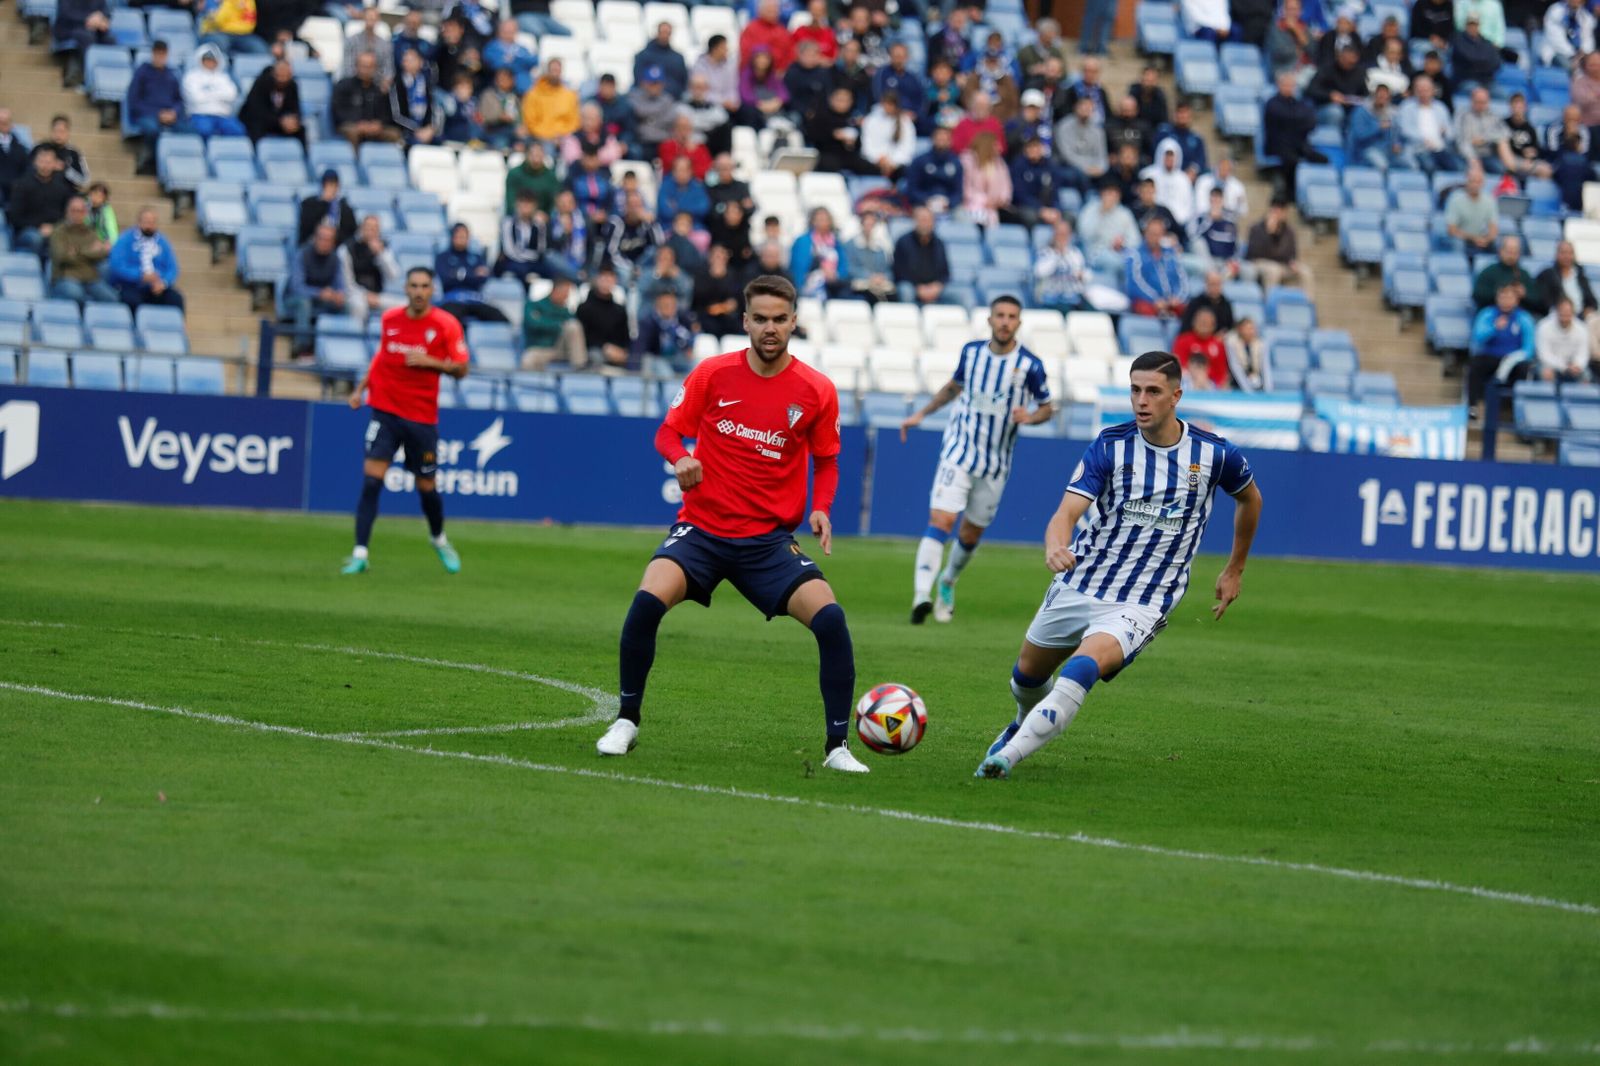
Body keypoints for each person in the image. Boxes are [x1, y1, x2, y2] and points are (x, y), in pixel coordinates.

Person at [595, 274, 866, 771]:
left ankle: (837, 748)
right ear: (744, 321)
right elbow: (668, 432)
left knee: (831, 620)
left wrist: (821, 506)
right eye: (760, 319)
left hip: (767, 542)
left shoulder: (816, 390)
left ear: (793, 322)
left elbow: (827, 460)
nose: (769, 328)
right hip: (702, 530)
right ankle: (626, 720)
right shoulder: (712, 374)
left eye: (779, 319)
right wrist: (679, 459)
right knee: (645, 602)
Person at [972, 351, 1264, 779]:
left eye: (1152, 391)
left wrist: (1235, 568)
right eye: (1135, 390)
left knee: (1082, 668)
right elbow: (1066, 513)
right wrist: (1056, 545)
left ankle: (1007, 756)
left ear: (1176, 396)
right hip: (1083, 580)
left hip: (1145, 598)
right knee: (1026, 678)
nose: (1141, 400)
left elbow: (1250, 499)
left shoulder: (1215, 454)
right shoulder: (1111, 445)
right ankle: (1022, 721)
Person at [898, 296, 1055, 625]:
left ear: (1019, 323)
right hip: (959, 451)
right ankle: (921, 595)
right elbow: (953, 388)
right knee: (940, 521)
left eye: (1012, 316)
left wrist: (1031, 416)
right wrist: (921, 414)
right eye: (1000, 315)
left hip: (996, 463)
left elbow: (1046, 407)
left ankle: (947, 581)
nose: (1005, 322)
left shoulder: (1030, 366)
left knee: (970, 535)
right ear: (989, 319)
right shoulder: (971, 353)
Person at [343, 268, 468, 576]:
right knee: (372, 480)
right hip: (385, 410)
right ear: (406, 288)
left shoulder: (445, 325)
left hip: (421, 418)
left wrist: (432, 363)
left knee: (426, 487)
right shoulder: (390, 320)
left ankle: (438, 538)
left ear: (432, 290)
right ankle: (360, 553)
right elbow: (381, 357)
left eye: (425, 286)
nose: (419, 291)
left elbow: (462, 368)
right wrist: (361, 389)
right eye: (414, 286)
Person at [1467, 282, 1536, 415]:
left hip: (1514, 359)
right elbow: (1477, 338)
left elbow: (1528, 348)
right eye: (1502, 297)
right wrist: (1494, 328)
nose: (1506, 301)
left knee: (1524, 369)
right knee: (1475, 365)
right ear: (1497, 298)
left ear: (1516, 300)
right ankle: (1472, 407)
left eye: (1509, 298)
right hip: (1490, 355)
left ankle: (1515, 410)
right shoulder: (1487, 314)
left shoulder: (1524, 318)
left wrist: (1513, 359)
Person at [128, 41, 190, 173]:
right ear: (153, 53)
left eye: (163, 54)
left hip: (170, 115)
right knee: (152, 129)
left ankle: (179, 168)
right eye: (158, 53)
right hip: (147, 114)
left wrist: (174, 112)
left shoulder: (172, 75)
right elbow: (134, 101)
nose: (160, 57)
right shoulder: (142, 73)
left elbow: (179, 100)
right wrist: (157, 114)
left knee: (188, 130)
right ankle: (149, 161)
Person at [107, 206, 183, 312]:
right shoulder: (125, 239)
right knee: (132, 301)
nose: (149, 225)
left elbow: (172, 268)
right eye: (146, 222)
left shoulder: (162, 241)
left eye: (152, 222)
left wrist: (163, 282)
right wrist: (140, 276)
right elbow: (117, 265)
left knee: (175, 299)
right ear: (139, 222)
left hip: (156, 286)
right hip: (131, 285)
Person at [1262, 71, 1325, 198]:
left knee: (1322, 160)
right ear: (1279, 85)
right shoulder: (1272, 103)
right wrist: (1299, 122)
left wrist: (1296, 122)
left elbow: (1311, 120)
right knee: (1291, 161)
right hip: (1278, 145)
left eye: (1292, 85)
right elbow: (1285, 119)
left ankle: (1315, 196)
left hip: (1299, 144)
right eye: (1286, 85)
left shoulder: (1299, 103)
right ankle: (1289, 194)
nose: (1289, 88)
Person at [286, 222, 349, 342]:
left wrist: (338, 294)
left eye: (328, 240)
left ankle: (339, 345)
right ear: (315, 238)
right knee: (304, 303)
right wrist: (319, 293)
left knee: (346, 305)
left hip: (323, 299)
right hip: (295, 298)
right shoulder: (302, 255)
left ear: (333, 242)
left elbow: (339, 283)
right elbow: (296, 287)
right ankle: (301, 347)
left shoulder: (335, 259)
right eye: (321, 238)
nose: (324, 242)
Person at [7, 147, 73, 260]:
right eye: (42, 161)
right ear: (35, 162)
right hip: (27, 231)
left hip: (55, 229)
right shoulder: (22, 185)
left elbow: (66, 214)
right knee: (36, 238)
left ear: (55, 164)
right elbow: (14, 217)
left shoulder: (62, 188)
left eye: (48, 162)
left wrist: (54, 228)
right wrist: (39, 227)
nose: (45, 165)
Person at [48, 195, 116, 305]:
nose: (77, 214)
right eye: (73, 210)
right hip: (65, 277)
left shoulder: (91, 232)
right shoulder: (58, 232)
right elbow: (61, 256)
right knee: (76, 295)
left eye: (80, 211)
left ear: (85, 213)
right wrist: (89, 252)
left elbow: (102, 253)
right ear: (67, 212)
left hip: (90, 279)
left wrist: (77, 251)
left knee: (112, 298)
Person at [435, 223, 508, 324]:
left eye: (464, 236)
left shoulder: (476, 257)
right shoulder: (442, 257)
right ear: (452, 237)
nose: (461, 239)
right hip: (453, 300)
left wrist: (458, 274)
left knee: (501, 319)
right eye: (458, 236)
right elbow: (446, 278)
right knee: (449, 319)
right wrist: (472, 274)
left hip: (475, 300)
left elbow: (484, 277)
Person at [341, 214, 402, 321]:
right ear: (361, 228)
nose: (371, 231)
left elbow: (394, 276)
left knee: (404, 305)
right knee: (359, 306)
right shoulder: (347, 249)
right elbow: (347, 283)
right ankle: (357, 335)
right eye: (368, 227)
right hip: (355, 295)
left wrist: (381, 254)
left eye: (374, 228)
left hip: (378, 294)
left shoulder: (384, 248)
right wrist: (365, 295)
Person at [1246, 199, 1314, 295]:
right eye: (1277, 209)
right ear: (1270, 210)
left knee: (1305, 272)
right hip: (1260, 262)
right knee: (1274, 271)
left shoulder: (1289, 231)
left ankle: (1307, 304)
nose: (1279, 213)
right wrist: (1269, 233)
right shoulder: (1257, 228)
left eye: (1282, 210)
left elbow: (1292, 254)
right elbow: (1254, 252)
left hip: (1283, 264)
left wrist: (1291, 262)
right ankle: (1271, 304)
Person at [333, 52, 402, 147]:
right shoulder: (344, 85)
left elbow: (386, 113)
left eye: (370, 66)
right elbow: (338, 111)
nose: (366, 70)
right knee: (352, 132)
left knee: (394, 134)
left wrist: (379, 124)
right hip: (351, 125)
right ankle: (355, 160)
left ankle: (390, 161)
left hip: (374, 127)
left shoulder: (379, 89)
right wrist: (359, 124)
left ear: (375, 68)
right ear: (356, 66)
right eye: (363, 66)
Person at [1125, 217, 1189, 317]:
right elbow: (1135, 284)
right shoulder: (1135, 255)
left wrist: (1177, 298)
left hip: (1171, 301)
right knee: (1145, 310)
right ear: (1145, 233)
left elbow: (1182, 280)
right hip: (1148, 302)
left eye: (1158, 234)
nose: (1155, 237)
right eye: (1152, 233)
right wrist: (1155, 299)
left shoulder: (1170, 254)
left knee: (1191, 312)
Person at [1397, 74, 1460, 174]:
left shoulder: (1441, 108)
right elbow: (1405, 130)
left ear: (1433, 91)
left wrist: (1445, 132)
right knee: (1430, 167)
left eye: (1426, 90)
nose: (1423, 93)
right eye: (1420, 90)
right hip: (1419, 149)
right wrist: (1423, 139)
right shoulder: (1406, 107)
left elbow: (1451, 132)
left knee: (1458, 168)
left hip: (1441, 149)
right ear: (1415, 91)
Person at [182, 44, 247, 139]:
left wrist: (207, 94)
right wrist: (219, 95)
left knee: (238, 130)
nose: (210, 62)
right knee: (205, 130)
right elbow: (196, 98)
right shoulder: (191, 77)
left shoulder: (223, 77)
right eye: (207, 59)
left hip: (223, 115)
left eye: (213, 60)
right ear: (200, 60)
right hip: (200, 114)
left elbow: (231, 95)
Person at [522, 276, 586, 370]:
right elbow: (534, 324)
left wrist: (546, 322)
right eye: (565, 293)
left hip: (560, 349)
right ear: (556, 290)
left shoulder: (565, 311)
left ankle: (580, 366)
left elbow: (574, 327)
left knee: (573, 325)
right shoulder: (534, 305)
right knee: (528, 359)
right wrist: (558, 325)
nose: (567, 296)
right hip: (539, 349)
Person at [1079, 179, 1141, 273]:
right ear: (1102, 194)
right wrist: (1102, 213)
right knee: (1118, 263)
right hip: (1096, 251)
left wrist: (1123, 244)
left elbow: (1136, 240)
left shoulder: (1124, 213)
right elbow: (1084, 234)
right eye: (1108, 193)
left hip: (1119, 252)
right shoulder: (1090, 209)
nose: (1111, 197)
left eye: (1114, 194)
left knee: (1135, 261)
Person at [576, 266, 632, 369]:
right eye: (604, 277)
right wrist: (604, 347)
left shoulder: (620, 310)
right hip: (591, 353)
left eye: (610, 278)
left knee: (635, 359)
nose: (606, 281)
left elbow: (625, 337)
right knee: (596, 356)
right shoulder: (584, 308)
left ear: (615, 281)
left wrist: (622, 351)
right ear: (597, 279)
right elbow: (582, 338)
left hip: (616, 354)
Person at [893, 205, 951, 304]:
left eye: (928, 220)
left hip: (935, 288)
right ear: (915, 221)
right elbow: (899, 272)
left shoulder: (939, 243)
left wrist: (937, 286)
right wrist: (918, 287)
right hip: (912, 286)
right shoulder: (903, 241)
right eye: (922, 220)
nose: (925, 223)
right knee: (906, 291)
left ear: (933, 222)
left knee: (962, 296)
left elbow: (945, 272)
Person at [1346, 83, 1409, 172]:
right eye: (1379, 96)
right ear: (1374, 96)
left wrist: (1398, 144)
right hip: (1367, 150)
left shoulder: (1393, 114)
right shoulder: (1362, 111)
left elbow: (1399, 134)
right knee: (1382, 165)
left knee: (1409, 163)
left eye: (1385, 97)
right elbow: (1359, 135)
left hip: (1389, 150)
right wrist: (1378, 127)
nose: (1382, 99)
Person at [631, 288, 697, 372]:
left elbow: (690, 335)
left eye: (672, 305)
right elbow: (639, 347)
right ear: (657, 305)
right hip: (657, 357)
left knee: (694, 366)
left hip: (677, 356)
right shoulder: (648, 322)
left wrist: (689, 347)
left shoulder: (682, 318)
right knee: (664, 371)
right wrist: (633, 370)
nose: (670, 308)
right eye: (666, 305)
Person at [240, 59, 304, 143]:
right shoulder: (261, 82)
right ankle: (257, 153)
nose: (282, 79)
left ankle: (303, 154)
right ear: (273, 73)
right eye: (279, 76)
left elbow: (295, 108)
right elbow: (255, 110)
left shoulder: (292, 86)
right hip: (260, 119)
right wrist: (279, 121)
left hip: (280, 121)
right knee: (256, 127)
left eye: (285, 76)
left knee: (300, 129)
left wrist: (293, 120)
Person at [903, 123, 963, 212]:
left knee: (962, 216)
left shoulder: (956, 163)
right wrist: (925, 200)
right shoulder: (919, 161)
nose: (941, 141)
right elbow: (912, 188)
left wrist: (949, 203)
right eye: (939, 138)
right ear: (933, 139)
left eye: (945, 138)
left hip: (948, 206)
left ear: (950, 141)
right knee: (922, 215)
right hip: (923, 204)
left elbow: (958, 191)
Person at [1532, 240, 1597, 321]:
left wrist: (1589, 309)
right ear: (1556, 255)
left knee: (1594, 319)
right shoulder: (1548, 274)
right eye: (1563, 253)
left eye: (1570, 253)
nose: (1566, 256)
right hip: (1557, 316)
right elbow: (1543, 302)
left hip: (1580, 317)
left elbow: (1592, 300)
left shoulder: (1580, 275)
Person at [1055, 94, 1108, 192]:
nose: (1086, 109)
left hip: (1094, 168)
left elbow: (1102, 155)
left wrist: (1100, 168)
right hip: (1070, 167)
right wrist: (1086, 168)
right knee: (1077, 175)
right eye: (1083, 106)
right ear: (1076, 107)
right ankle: (1089, 198)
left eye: (1089, 106)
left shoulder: (1097, 130)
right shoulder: (1064, 126)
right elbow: (1067, 155)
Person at [1444, 163, 1499, 254]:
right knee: (1458, 243)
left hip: (1481, 238)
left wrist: (1486, 239)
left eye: (1478, 181)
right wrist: (1474, 238)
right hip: (1463, 239)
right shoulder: (1455, 199)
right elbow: (1451, 230)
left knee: (1499, 243)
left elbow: (1493, 229)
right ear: (1466, 181)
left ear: (1483, 183)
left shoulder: (1489, 200)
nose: (1475, 185)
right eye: (1472, 181)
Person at [389, 46, 439, 145]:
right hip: (405, 130)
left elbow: (434, 109)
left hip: (426, 130)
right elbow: (396, 115)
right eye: (405, 60)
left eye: (412, 60)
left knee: (441, 142)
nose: (407, 62)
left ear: (420, 62)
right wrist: (417, 129)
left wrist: (431, 128)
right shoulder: (397, 83)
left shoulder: (427, 82)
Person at [860, 91, 916, 179]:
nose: (887, 107)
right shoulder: (871, 120)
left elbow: (907, 147)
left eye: (891, 104)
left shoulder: (905, 122)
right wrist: (878, 159)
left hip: (897, 165)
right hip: (874, 161)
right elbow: (867, 145)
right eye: (885, 104)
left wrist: (893, 162)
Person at [960, 132, 1011, 228]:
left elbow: (1006, 187)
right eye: (996, 145)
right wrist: (984, 201)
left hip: (996, 207)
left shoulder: (1000, 164)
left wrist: (1001, 200)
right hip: (972, 205)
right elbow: (966, 188)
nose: (999, 148)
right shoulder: (968, 162)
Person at [522, 58, 579, 144]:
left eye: (558, 71)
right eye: (553, 70)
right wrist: (549, 136)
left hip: (564, 138)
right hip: (540, 138)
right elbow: (530, 122)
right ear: (547, 72)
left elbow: (574, 121)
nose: (555, 74)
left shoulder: (569, 95)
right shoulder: (533, 94)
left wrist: (561, 134)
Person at [1535, 296, 1591, 383]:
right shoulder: (1543, 326)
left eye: (1568, 312)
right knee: (1546, 373)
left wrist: (1577, 365)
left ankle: (1579, 396)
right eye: (1562, 311)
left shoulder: (1582, 329)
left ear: (1573, 312)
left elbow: (1583, 353)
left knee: (1586, 376)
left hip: (1573, 365)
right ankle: (1550, 396)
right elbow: (1544, 355)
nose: (1565, 314)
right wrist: (1563, 366)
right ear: (1556, 311)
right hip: (1550, 365)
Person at [1191, 191, 1245, 279]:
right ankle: (1214, 277)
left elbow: (1236, 244)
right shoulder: (1202, 218)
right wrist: (1209, 220)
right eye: (1213, 200)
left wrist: (1232, 262)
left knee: (1241, 266)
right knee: (1198, 244)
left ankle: (1219, 279)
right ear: (1209, 201)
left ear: (1223, 201)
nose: (1216, 203)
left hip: (1226, 262)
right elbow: (1194, 237)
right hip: (1209, 261)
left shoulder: (1230, 221)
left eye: (1218, 200)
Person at [694, 243, 746, 334]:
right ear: (710, 258)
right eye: (717, 256)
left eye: (723, 256)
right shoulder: (701, 274)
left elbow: (737, 296)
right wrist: (715, 278)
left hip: (727, 316)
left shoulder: (733, 274)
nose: (720, 259)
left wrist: (733, 304)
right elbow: (699, 297)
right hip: (705, 315)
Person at [1471, 234, 1534, 309]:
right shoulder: (1489, 272)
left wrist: (1525, 294)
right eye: (1509, 251)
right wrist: (1499, 293)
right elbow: (1477, 295)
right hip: (1491, 313)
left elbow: (1537, 299)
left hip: (1518, 315)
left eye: (1515, 252)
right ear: (1500, 251)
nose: (1511, 256)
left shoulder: (1523, 274)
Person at [1498, 92, 1550, 182]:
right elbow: (1502, 148)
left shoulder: (1530, 128)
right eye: (1515, 106)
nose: (1517, 110)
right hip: (1509, 160)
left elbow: (1535, 149)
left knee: (1546, 170)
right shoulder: (1503, 124)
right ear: (1510, 107)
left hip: (1526, 162)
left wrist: (1531, 155)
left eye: (1520, 107)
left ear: (1525, 108)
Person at [1174, 306, 1230, 389]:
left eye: (1207, 322)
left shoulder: (1219, 345)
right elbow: (1177, 365)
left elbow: (1222, 372)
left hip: (1211, 385)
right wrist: (1195, 376)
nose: (1204, 325)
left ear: (1213, 325)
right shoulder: (1182, 340)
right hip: (1187, 381)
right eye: (1201, 321)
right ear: (1194, 323)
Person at [299, 170, 357, 247]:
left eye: (333, 184)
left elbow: (351, 232)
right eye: (327, 184)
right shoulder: (309, 204)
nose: (330, 188)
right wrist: (324, 203)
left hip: (336, 248)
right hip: (313, 247)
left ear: (338, 186)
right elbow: (306, 228)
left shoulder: (345, 208)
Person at [1454, 87, 1507, 172]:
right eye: (1478, 102)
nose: (1481, 105)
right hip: (1468, 156)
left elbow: (1505, 133)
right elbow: (1461, 141)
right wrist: (1472, 159)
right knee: (1464, 169)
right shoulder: (1463, 116)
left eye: (1484, 102)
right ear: (1472, 101)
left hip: (1487, 154)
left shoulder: (1493, 115)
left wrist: (1484, 139)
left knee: (1501, 169)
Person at [343, 5, 397, 85]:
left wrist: (381, 81)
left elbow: (388, 69)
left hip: (377, 85)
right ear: (363, 18)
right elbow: (348, 68)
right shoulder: (351, 41)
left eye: (373, 17)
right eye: (368, 17)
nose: (371, 19)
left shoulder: (385, 44)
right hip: (355, 84)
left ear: (378, 19)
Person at [35, 116, 88, 193]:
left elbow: (84, 181)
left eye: (62, 131)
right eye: (56, 131)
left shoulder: (74, 153)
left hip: (65, 195)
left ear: (68, 133)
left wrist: (65, 169)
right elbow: (27, 170)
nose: (58, 135)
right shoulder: (39, 148)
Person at [481, 17, 535, 94]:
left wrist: (513, 60)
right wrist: (518, 61)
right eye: (506, 31)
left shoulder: (521, 48)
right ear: (500, 31)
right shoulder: (492, 47)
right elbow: (494, 64)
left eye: (512, 31)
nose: (509, 34)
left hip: (523, 90)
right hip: (500, 90)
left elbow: (533, 61)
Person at [1226, 317, 1272, 390]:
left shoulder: (1261, 344)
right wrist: (1247, 390)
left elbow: (1265, 367)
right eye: (1247, 328)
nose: (1251, 331)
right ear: (1240, 330)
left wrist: (1268, 390)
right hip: (1236, 383)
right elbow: (1235, 368)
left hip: (1256, 381)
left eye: (1252, 328)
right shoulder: (1232, 343)